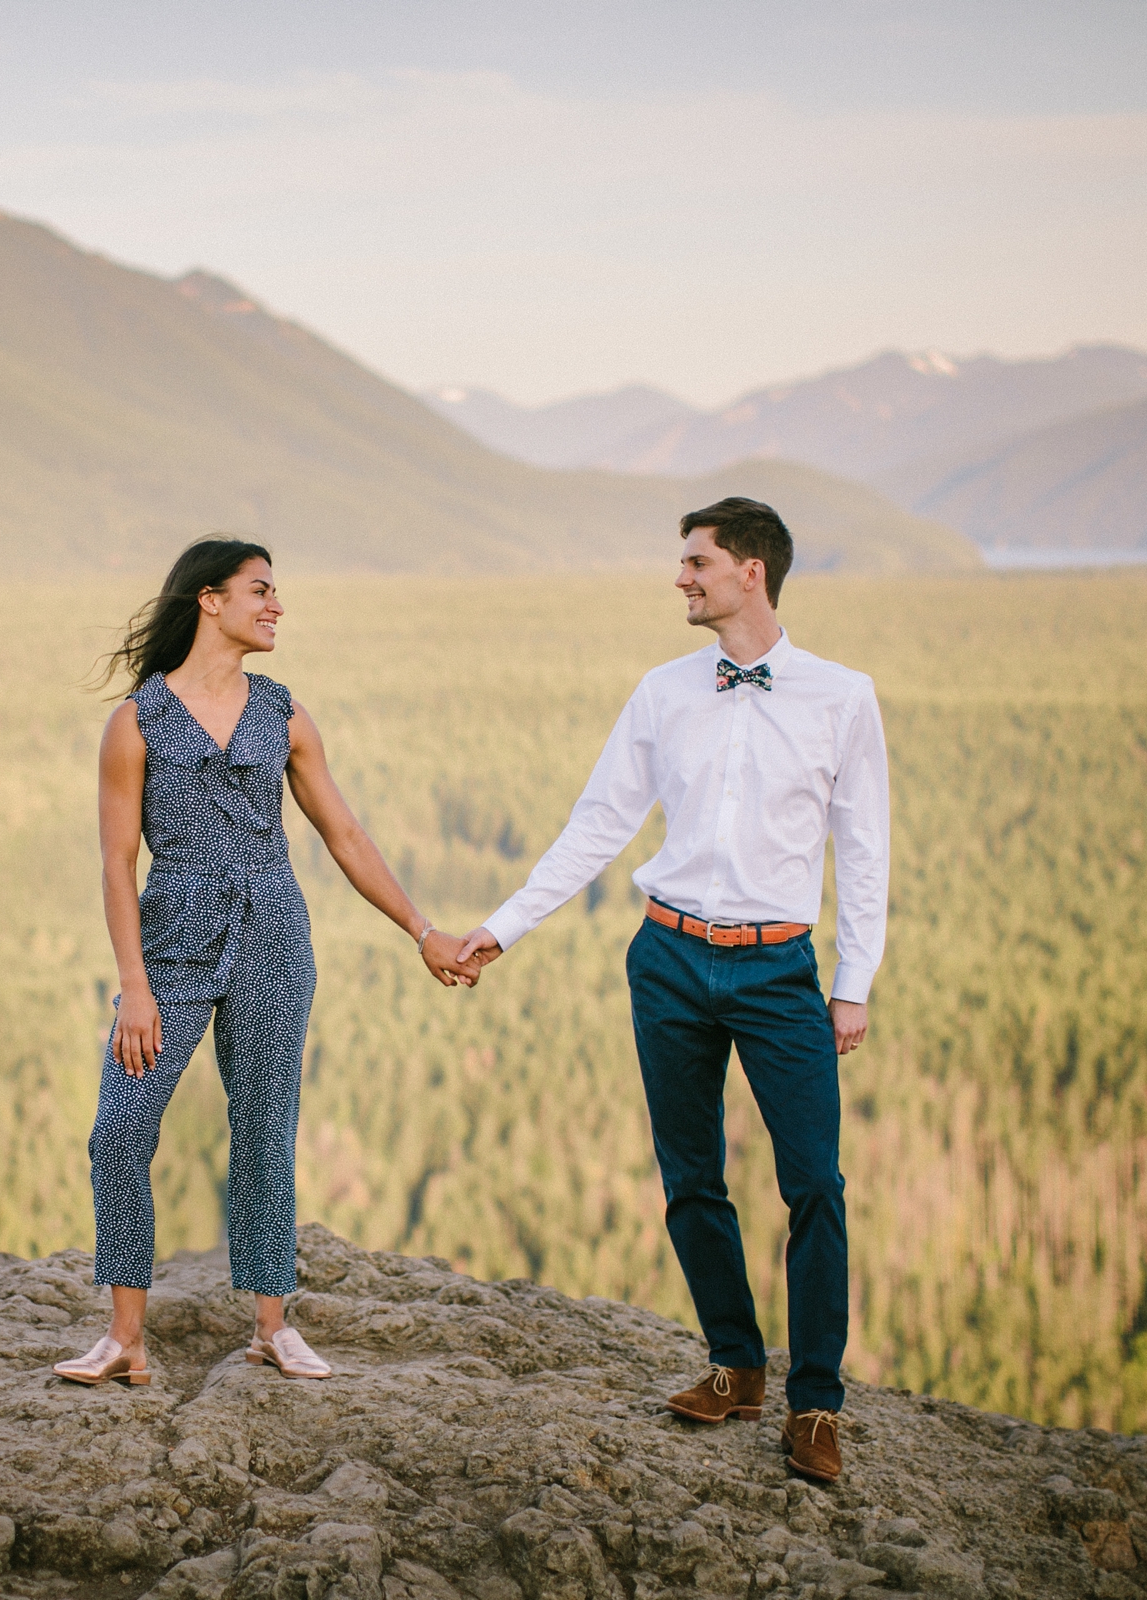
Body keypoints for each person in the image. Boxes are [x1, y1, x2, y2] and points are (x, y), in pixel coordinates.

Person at [453, 498, 888, 1486]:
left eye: (697, 562)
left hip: (780, 970)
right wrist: (504, 925)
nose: (681, 578)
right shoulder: (662, 691)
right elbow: (599, 822)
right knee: (691, 1178)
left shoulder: (842, 697)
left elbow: (864, 850)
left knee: (814, 1182)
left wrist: (852, 985)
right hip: (669, 959)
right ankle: (736, 1364)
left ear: (751, 573)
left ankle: (815, 1401)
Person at [58, 537, 480, 1389]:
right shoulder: (136, 722)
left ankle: (270, 1327)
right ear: (209, 600)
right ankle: (126, 1337)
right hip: (170, 946)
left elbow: (344, 835)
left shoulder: (283, 714)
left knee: (264, 1131)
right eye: (261, 591)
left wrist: (421, 929)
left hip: (273, 937)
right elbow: (115, 863)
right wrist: (133, 987)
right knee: (119, 1131)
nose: (277, 605)